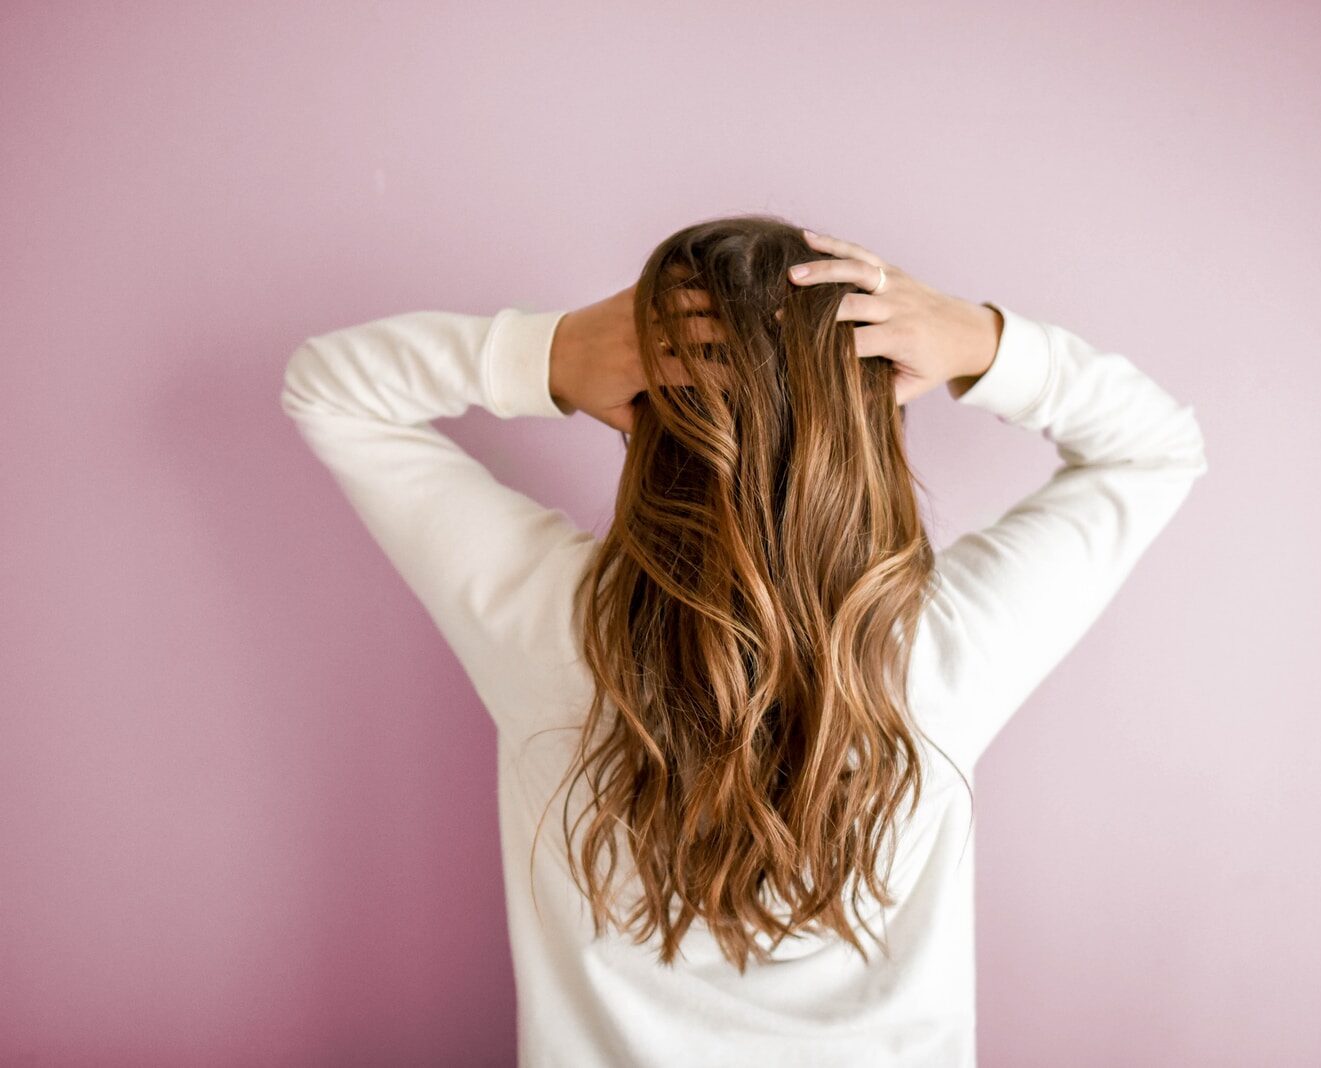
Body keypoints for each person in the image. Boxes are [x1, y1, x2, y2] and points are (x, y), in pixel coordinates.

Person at [279, 214, 1208, 1067]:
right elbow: (1157, 447)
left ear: (642, 410)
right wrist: (979, 342)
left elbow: (330, 388)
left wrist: (550, 353)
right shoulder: (939, 653)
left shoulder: (553, 628)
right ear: (876, 422)